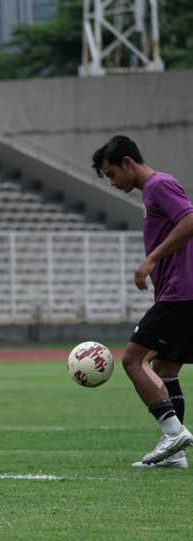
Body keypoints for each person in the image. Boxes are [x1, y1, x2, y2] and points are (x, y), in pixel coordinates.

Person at [92, 135, 193, 468]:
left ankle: (173, 431)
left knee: (133, 360)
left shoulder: (159, 185)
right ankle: (174, 454)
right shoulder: (152, 192)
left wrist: (151, 259)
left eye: (111, 174)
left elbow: (190, 220)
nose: (112, 182)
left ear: (127, 163)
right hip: (178, 293)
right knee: (165, 368)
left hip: (180, 293)